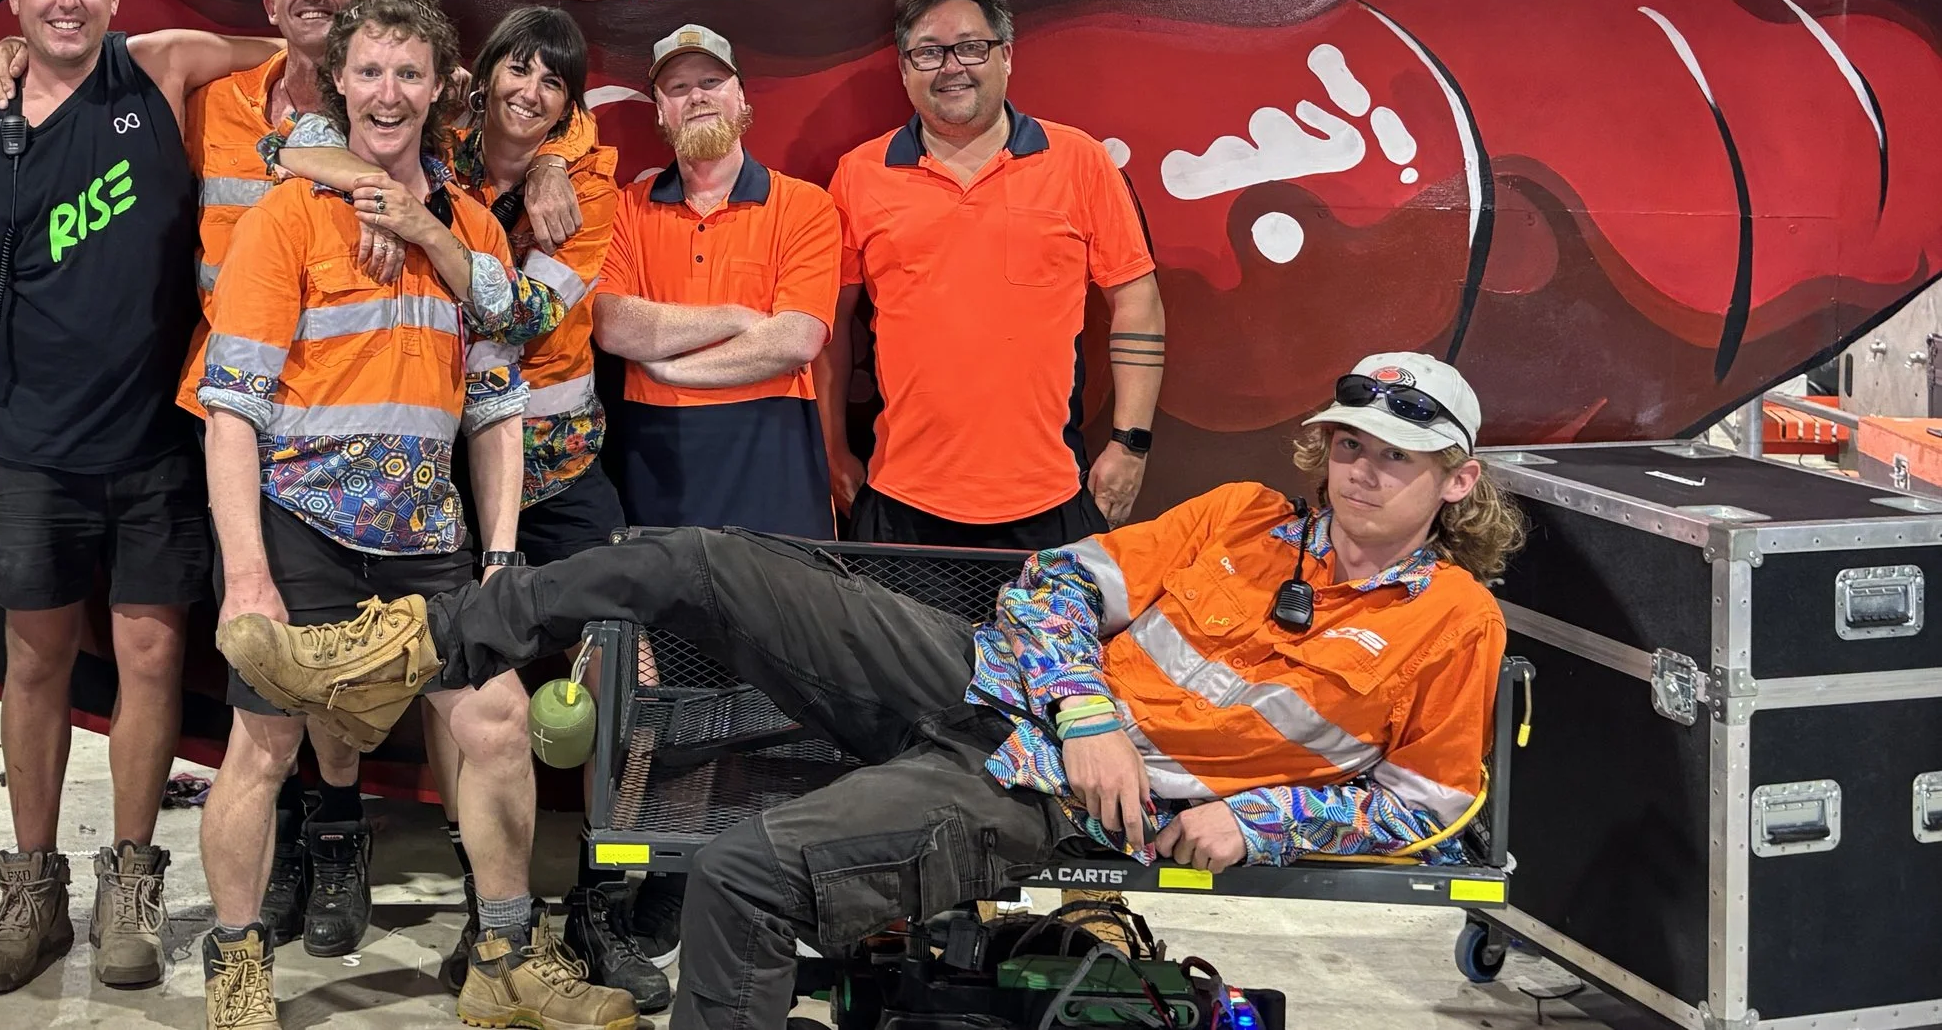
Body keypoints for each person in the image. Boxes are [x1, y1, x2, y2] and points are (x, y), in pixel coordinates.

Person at [238, 352, 1520, 1030]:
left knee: (740, 876)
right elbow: (1049, 589)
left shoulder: (1453, 623)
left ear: (1455, 483)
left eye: (1396, 458)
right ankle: (403, 651)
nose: (1360, 472)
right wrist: (1084, 710)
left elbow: (1426, 802)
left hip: (1034, 795)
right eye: (1348, 445)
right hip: (998, 692)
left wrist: (1256, 823)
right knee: (702, 562)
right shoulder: (1244, 515)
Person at [194, 0, 635, 1030]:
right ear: (339, 82)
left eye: (409, 74)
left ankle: (501, 956)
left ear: (442, 91)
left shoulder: (471, 230)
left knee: (497, 725)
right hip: (300, 527)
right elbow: (229, 413)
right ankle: (237, 966)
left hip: (429, 538)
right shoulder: (285, 218)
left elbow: (493, 410)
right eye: (370, 72)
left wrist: (498, 552)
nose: (387, 94)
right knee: (261, 750)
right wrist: (248, 573)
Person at [0, 0, 280, 996]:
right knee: (34, 660)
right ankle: (31, 888)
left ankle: (131, 879)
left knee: (154, 658)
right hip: (26, 445)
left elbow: (310, 46)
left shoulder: (161, 71)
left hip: (161, 437)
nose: (67, 1)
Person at [827, 0, 1164, 547]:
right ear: (904, 68)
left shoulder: (1079, 161)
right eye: (928, 52)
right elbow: (830, 327)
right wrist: (831, 447)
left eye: (971, 47)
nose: (951, 66)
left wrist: (1131, 445)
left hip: (1052, 498)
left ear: (1006, 56)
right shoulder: (859, 175)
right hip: (900, 500)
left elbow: (1136, 301)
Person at [594, 23, 841, 540]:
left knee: (781, 613)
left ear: (741, 97)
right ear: (660, 109)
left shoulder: (805, 205)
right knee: (664, 616)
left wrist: (666, 369)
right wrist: (737, 318)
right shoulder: (624, 210)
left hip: (774, 447)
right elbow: (613, 327)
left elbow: (796, 339)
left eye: (712, 81)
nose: (698, 97)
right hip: (656, 453)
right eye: (679, 88)